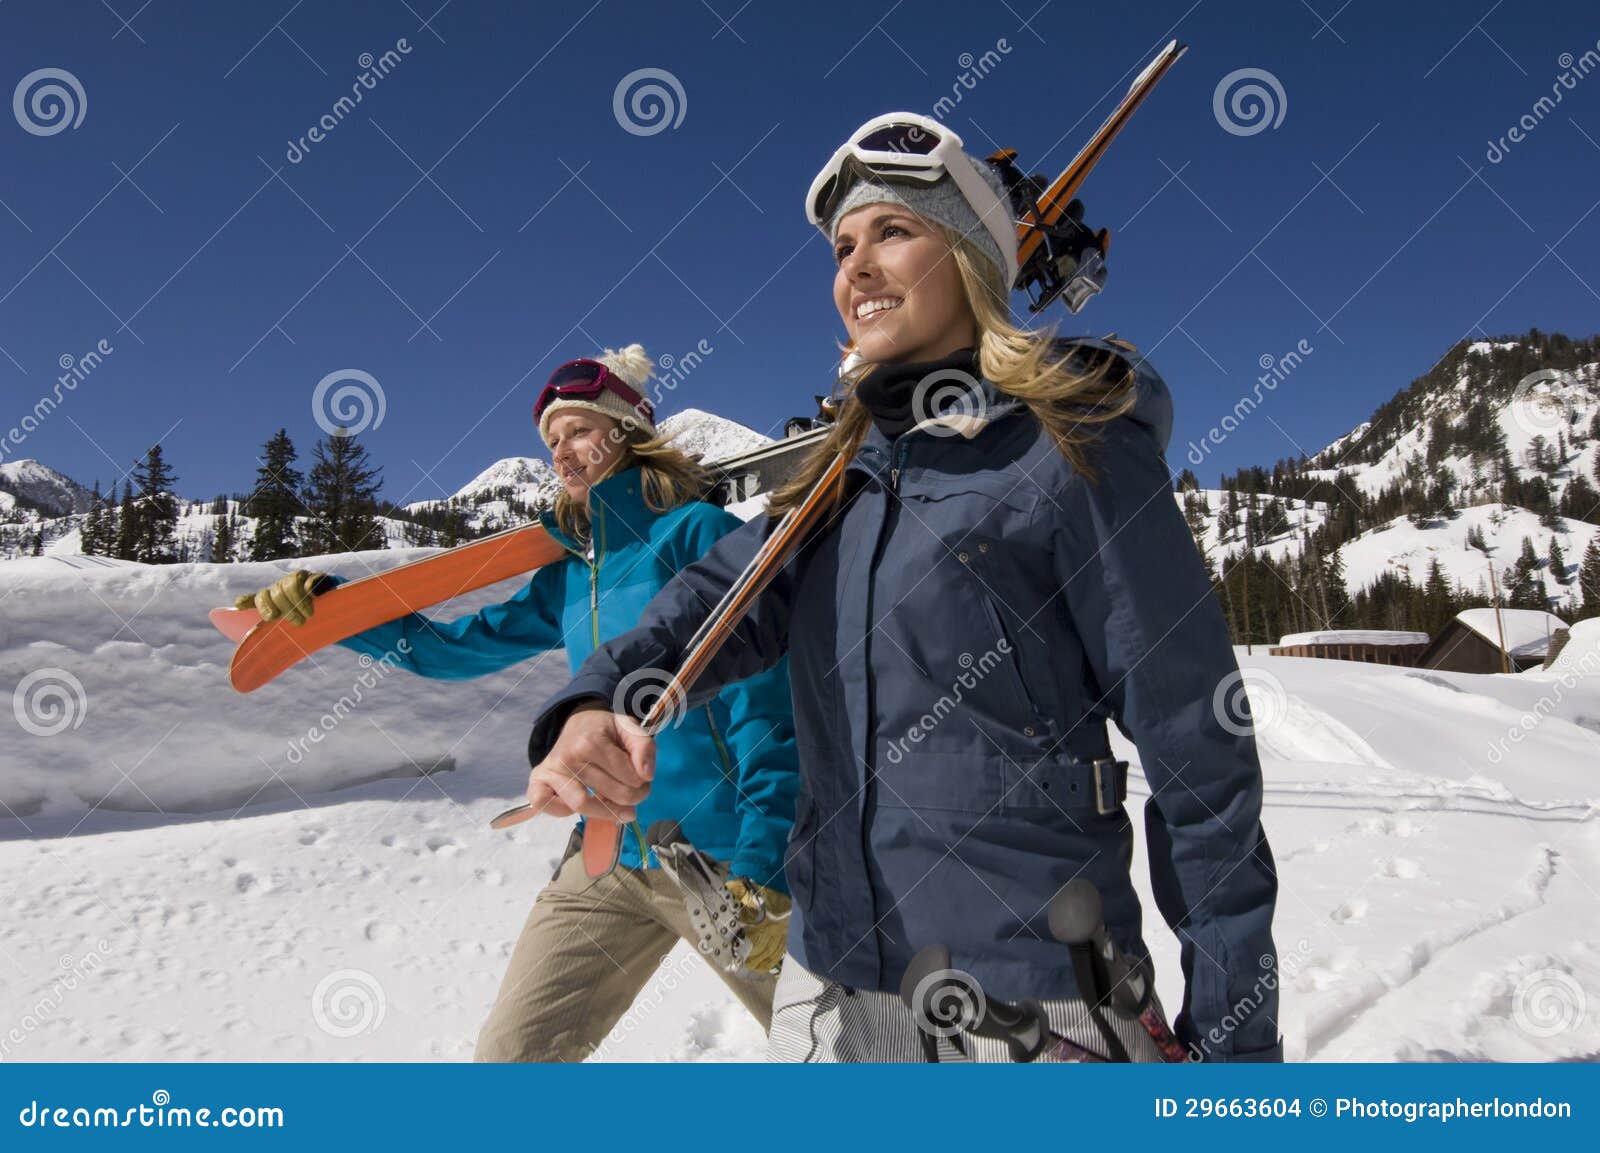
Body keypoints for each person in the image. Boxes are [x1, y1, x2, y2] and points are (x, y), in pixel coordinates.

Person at [516, 117, 1283, 1063]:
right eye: (843, 247)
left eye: (893, 231)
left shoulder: (1074, 453)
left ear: (969, 255)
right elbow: (709, 603)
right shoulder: (836, 491)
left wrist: (1240, 1055)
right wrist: (596, 698)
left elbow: (1201, 758)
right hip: (838, 989)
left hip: (1035, 1003)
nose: (858, 266)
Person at [236, 343, 799, 1062]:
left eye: (579, 429)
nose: (562, 452)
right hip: (612, 854)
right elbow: (454, 649)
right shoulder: (573, 573)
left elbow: (763, 703)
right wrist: (341, 617)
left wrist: (767, 857)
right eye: (551, 441)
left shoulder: (695, 534)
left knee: (852, 1059)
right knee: (511, 1061)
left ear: (626, 430)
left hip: (727, 860)